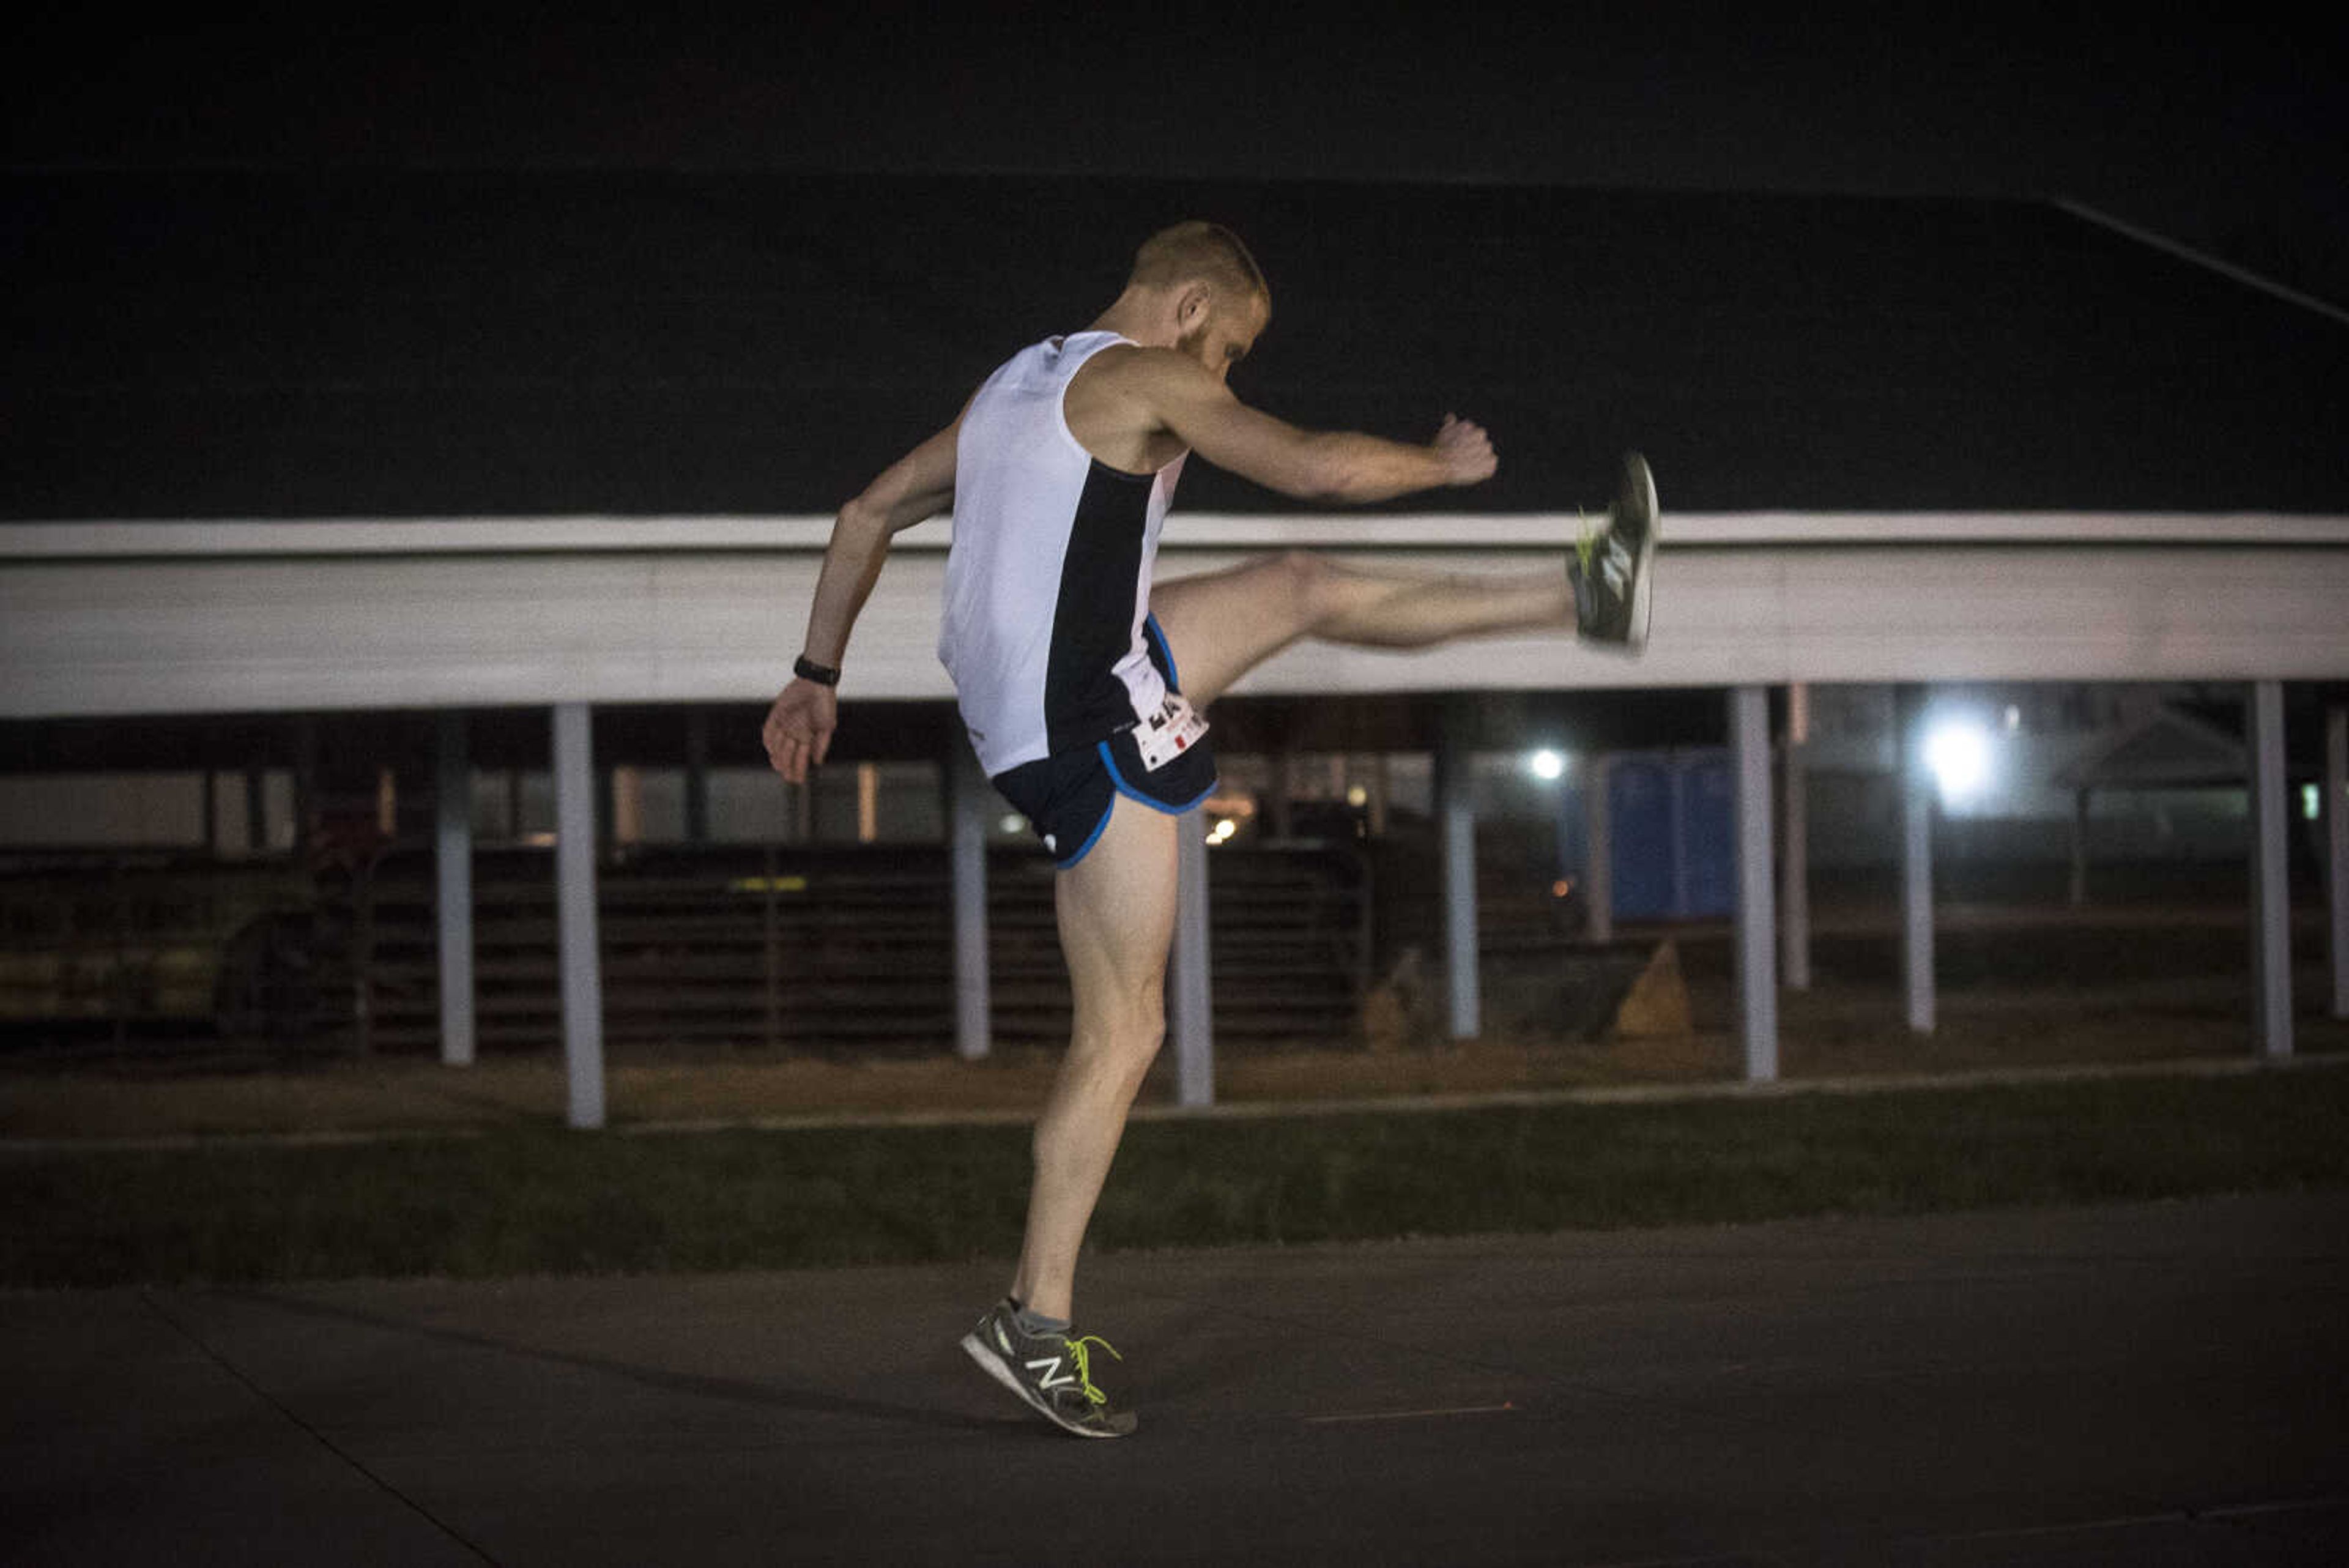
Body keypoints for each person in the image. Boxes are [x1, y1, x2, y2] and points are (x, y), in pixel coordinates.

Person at [762, 221, 1655, 1438]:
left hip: (1072, 685)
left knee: (1298, 586)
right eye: (1229, 351)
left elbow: (866, 510)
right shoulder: (1146, 377)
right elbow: (1314, 466)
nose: (1221, 380)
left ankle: (1581, 588)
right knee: (1126, 1028)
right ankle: (1033, 1318)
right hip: (1078, 731)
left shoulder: (1015, 384)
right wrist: (1439, 470)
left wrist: (816, 670)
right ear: (1187, 308)